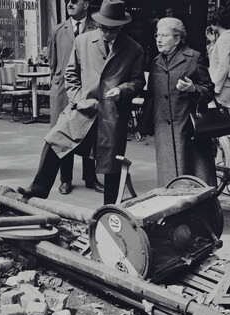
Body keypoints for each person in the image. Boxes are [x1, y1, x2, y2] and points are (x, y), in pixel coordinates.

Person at [17, 0, 145, 205]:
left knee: (111, 163)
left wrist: (122, 90)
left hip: (111, 114)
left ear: (121, 27)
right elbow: (70, 75)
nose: (106, 33)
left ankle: (109, 209)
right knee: (55, 139)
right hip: (82, 110)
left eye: (112, 30)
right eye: (103, 28)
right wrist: (78, 99)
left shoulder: (134, 49)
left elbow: (138, 81)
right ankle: (38, 189)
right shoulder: (83, 41)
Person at [138, 17, 216, 188]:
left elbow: (209, 91)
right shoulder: (156, 62)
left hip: (189, 129)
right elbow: (151, 96)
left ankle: (199, 212)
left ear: (178, 38)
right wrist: (144, 126)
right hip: (163, 131)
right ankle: (173, 212)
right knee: (169, 177)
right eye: (157, 35)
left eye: (164, 35)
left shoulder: (194, 58)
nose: (158, 39)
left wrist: (193, 89)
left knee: (195, 175)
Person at [47, 0, 103, 195]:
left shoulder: (97, 28)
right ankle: (65, 179)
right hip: (62, 90)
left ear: (86, 4)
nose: (70, 4)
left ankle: (90, 177)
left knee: (90, 132)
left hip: (89, 89)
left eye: (75, 1)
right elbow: (52, 61)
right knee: (64, 133)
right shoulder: (58, 30)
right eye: (67, 1)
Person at [206, 7, 230, 103]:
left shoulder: (224, 40)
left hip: (223, 88)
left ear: (216, 23)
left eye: (211, 23)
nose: (210, 26)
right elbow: (216, 60)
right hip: (229, 86)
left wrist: (214, 88)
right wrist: (212, 42)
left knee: (218, 116)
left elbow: (223, 67)